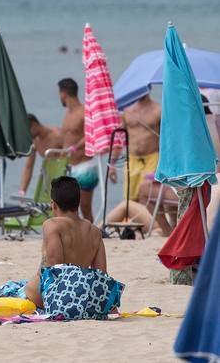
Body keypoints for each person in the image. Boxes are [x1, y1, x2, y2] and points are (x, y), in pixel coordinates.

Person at [23, 176, 113, 312]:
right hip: (76, 299)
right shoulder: (94, 231)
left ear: (53, 204)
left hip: (41, 301)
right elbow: (101, 275)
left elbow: (55, 269)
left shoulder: (52, 225)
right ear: (78, 202)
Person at [56, 78, 96, 220]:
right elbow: (67, 137)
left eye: (59, 93)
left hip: (85, 166)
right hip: (70, 167)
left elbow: (91, 135)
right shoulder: (67, 114)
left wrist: (74, 147)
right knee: (71, 210)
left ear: (64, 94)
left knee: (85, 207)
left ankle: (90, 236)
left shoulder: (84, 112)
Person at [122, 92, 161, 203]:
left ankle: (147, 219)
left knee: (147, 195)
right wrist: (112, 165)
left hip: (152, 158)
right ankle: (132, 220)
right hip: (132, 159)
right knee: (130, 199)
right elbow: (120, 137)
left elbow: (166, 138)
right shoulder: (127, 111)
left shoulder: (158, 110)